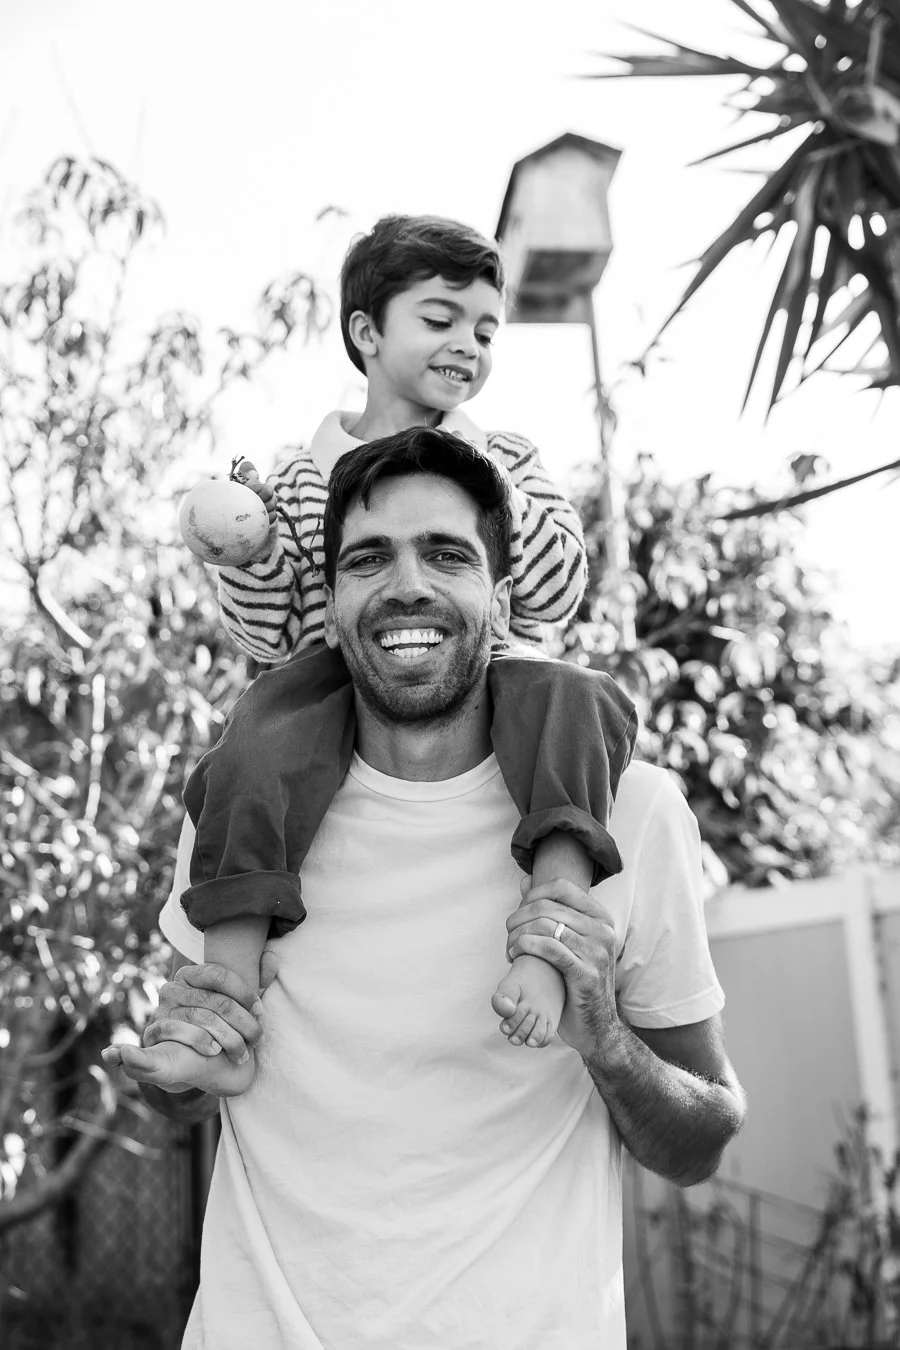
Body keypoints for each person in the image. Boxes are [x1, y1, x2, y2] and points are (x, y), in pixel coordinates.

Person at [104, 427, 745, 1350]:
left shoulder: (631, 811)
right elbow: (208, 1090)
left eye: (447, 554)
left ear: (504, 597)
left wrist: (603, 1034)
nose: (408, 584)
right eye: (369, 559)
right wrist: (183, 1076)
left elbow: (704, 1138)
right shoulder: (245, 813)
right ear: (329, 608)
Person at [139, 214, 638, 1095]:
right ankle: (220, 1010)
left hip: (491, 671)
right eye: (440, 318)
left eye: (486, 329)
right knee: (246, 751)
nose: (469, 346)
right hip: (342, 679)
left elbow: (559, 595)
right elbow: (274, 630)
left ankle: (551, 939)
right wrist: (253, 553)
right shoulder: (300, 475)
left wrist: (486, 486)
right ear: (367, 332)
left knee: (583, 699)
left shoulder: (509, 455)